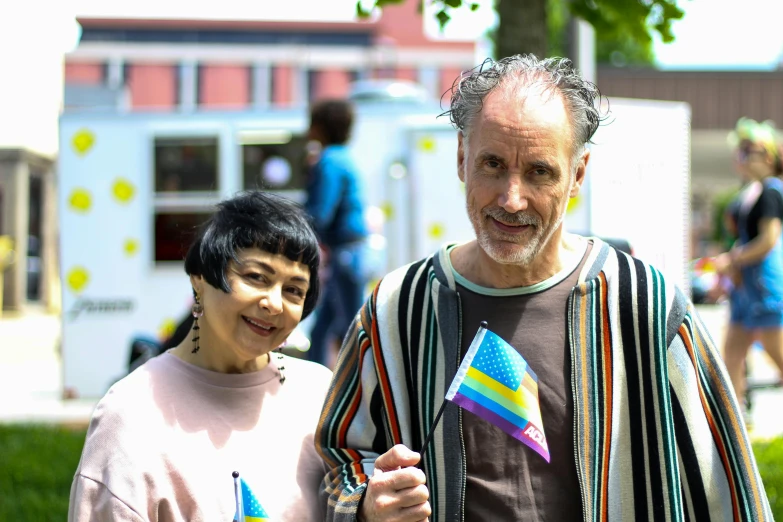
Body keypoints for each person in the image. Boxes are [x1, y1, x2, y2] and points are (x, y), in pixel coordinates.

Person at [315, 55, 772, 522]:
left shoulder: (646, 306)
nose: (512, 199)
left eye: (539, 172)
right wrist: (368, 503)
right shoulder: (395, 309)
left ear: (577, 174)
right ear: (460, 159)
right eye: (492, 164)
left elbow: (727, 483)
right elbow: (338, 460)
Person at [69, 191, 332, 521]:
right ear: (200, 278)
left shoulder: (319, 392)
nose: (274, 304)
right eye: (256, 277)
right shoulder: (130, 415)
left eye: (294, 289)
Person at [715, 117, 783, 416]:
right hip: (746, 289)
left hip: (764, 287)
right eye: (739, 151)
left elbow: (768, 240)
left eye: (748, 151)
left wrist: (732, 259)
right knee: (730, 355)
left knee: (776, 354)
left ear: (767, 156)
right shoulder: (753, 192)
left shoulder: (771, 191)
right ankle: (735, 425)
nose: (740, 157)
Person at [304, 99, 370, 367]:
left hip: (345, 253)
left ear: (320, 128)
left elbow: (320, 212)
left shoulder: (329, 161)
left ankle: (350, 386)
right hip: (350, 252)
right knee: (325, 327)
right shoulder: (344, 157)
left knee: (349, 327)